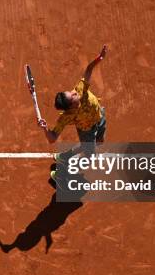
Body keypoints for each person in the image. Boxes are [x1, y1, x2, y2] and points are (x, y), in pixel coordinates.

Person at [38, 46, 108, 180]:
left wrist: (98, 59)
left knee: (99, 140)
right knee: (89, 157)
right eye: (72, 95)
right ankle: (61, 173)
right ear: (71, 106)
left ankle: (64, 156)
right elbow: (52, 138)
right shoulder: (66, 118)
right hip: (86, 131)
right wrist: (45, 128)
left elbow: (88, 69)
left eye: (71, 92)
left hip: (99, 116)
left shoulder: (80, 90)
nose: (74, 92)